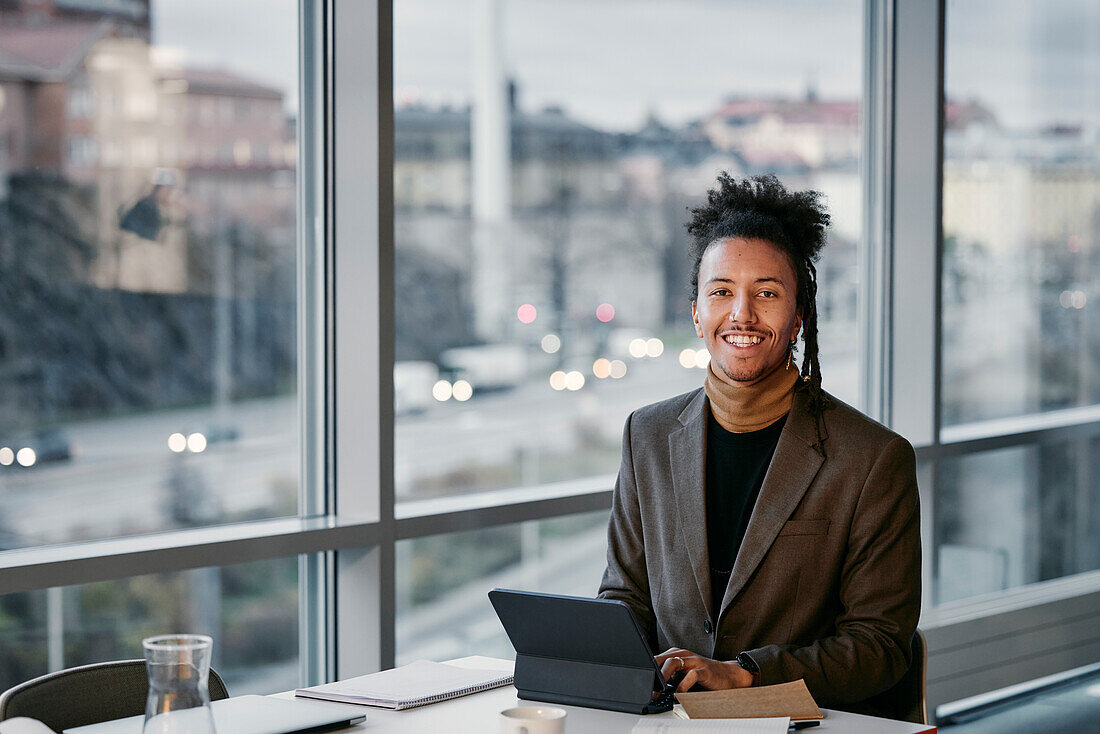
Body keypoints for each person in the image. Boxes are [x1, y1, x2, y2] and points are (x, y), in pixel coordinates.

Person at [598, 173, 921, 720]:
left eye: (767, 293)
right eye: (721, 292)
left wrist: (747, 672)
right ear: (697, 312)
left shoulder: (872, 459)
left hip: (802, 724)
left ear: (799, 316)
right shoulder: (646, 436)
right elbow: (623, 599)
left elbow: (881, 646)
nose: (742, 314)